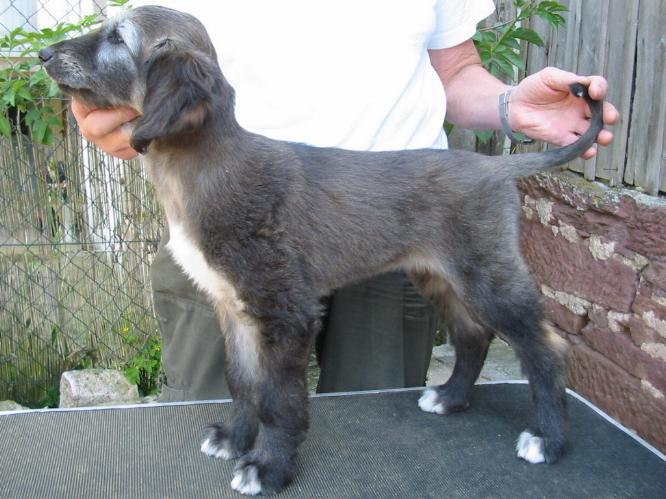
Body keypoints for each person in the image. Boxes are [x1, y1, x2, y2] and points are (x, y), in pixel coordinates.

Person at [71, 1, 619, 401]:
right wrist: (109, 113)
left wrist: (508, 104)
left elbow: (454, 71)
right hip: (227, 219)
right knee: (212, 428)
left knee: (372, 437)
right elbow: (130, 63)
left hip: (391, 210)